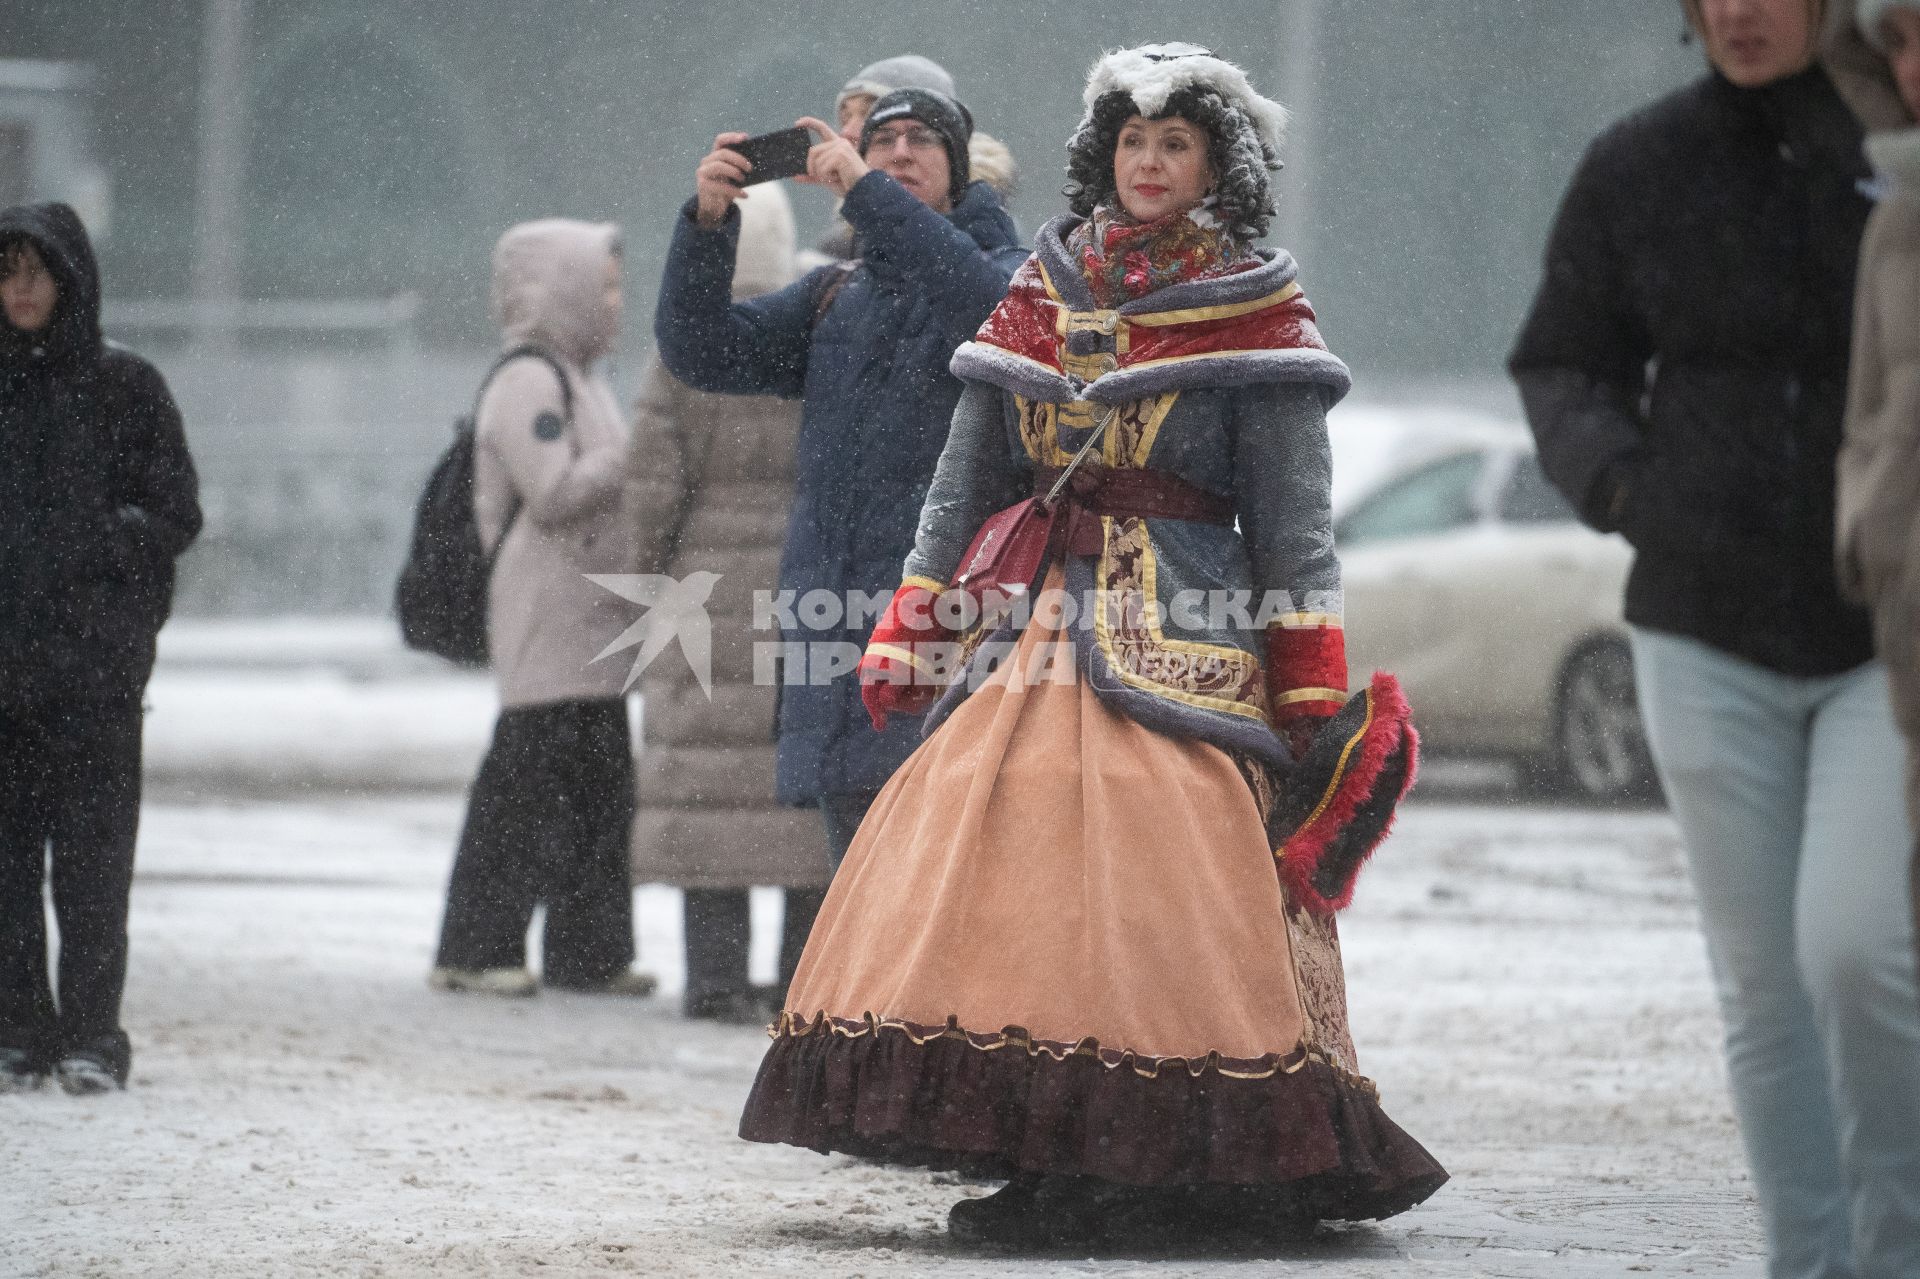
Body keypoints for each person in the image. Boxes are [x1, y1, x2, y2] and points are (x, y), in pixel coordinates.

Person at [737, 44, 1445, 1249]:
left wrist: (1309, 680)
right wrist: (917, 624)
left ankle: (1157, 1160)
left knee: (1166, 883)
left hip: (1190, 635)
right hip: (1037, 631)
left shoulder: (1258, 304)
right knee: (1012, 874)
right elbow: (965, 482)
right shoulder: (1040, 288)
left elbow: (1292, 522)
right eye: (1133, 143)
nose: (1151, 163)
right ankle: (1047, 1153)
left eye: (1176, 145)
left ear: (1218, 165)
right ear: (1102, 156)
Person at [1510, 2, 1920, 1273]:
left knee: (1857, 951)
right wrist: (1633, 491)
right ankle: (1811, 1258)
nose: (1741, 12)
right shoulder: (1640, 163)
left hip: (1879, 635)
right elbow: (1561, 363)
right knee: (1763, 992)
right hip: (1700, 627)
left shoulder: (1896, 160)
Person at [655, 86, 1026, 874]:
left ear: (960, 170)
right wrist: (710, 226)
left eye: (920, 140)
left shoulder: (1012, 277)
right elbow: (702, 351)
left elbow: (985, 311)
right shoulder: (837, 295)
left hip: (955, 636)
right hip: (838, 642)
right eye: (880, 140)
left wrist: (868, 195)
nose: (897, 154)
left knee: (947, 894)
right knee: (860, 892)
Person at [0, 202, 202, 1093]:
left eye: (36, 271)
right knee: (6, 874)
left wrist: (106, 553)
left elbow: (175, 513)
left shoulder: (126, 387)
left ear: (71, 278)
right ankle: (18, 1031)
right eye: (7, 272)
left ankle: (90, 1034)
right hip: (6, 678)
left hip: (95, 680)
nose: (21, 290)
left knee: (90, 874)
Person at [430, 219, 656, 1000]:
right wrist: (634, 454)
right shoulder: (528, 380)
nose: (617, 303)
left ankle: (590, 951)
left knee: (598, 790)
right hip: (542, 621)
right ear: (562, 292)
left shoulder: (582, 376)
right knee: (523, 789)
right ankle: (477, 944)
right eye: (604, 287)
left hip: (587, 624)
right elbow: (554, 491)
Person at [626, 185, 831, 1023]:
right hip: (804, 579)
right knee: (795, 802)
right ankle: (798, 981)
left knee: (711, 793)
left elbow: (647, 492)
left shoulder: (681, 350)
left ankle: (713, 979)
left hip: (703, 589)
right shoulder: (813, 336)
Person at [1826, 0, 1920, 967]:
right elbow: (1870, 415)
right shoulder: (1899, 215)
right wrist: (1873, 533)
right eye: (1896, 43)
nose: (1913, 68)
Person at [820, 56, 1018, 258]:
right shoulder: (840, 248)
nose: (846, 133)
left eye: (868, 114)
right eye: (846, 118)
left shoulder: (990, 237)